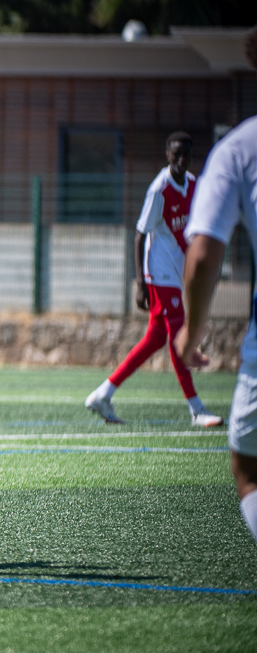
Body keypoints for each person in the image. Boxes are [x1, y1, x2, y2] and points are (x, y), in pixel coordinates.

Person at [174, 23, 257, 550]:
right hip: (158, 278)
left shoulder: (238, 148)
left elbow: (203, 254)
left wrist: (192, 331)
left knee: (248, 471)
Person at [85, 132, 222, 427]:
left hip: (176, 273)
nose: (182, 159)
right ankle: (197, 409)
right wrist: (140, 283)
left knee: (155, 339)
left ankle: (102, 394)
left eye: (186, 154)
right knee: (177, 338)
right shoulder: (159, 189)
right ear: (167, 155)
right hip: (159, 275)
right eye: (176, 154)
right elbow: (140, 235)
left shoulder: (193, 185)